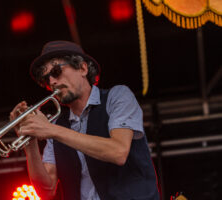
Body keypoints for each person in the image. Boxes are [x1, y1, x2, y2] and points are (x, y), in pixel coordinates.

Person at [10, 40, 160, 200]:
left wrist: (51, 130)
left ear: (82, 68)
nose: (52, 82)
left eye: (56, 71)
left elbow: (118, 151)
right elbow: (46, 191)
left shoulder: (117, 96)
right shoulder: (56, 125)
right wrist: (30, 144)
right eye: (47, 79)